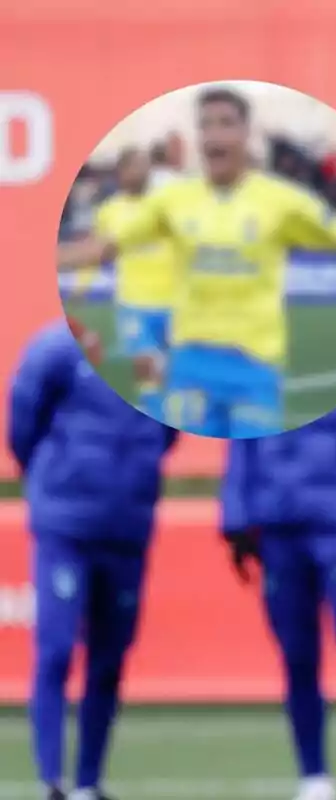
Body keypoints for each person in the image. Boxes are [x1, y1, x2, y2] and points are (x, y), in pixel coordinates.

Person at [56, 85, 336, 438]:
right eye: (206, 124)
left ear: (246, 133)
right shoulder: (173, 200)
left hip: (254, 364)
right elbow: (102, 247)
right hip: (192, 362)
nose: (214, 135)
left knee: (260, 481)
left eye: (226, 123)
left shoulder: (282, 201)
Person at [220, 346, 336, 800]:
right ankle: (314, 779)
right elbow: (241, 431)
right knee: (297, 657)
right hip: (278, 526)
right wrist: (236, 517)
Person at [8, 319, 178, 800]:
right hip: (66, 524)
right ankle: (51, 780)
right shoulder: (57, 348)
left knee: (109, 657)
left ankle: (87, 782)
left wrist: (134, 480)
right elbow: (23, 422)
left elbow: (170, 430)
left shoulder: (163, 355)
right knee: (57, 649)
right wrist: (55, 479)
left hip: (127, 526)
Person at [89, 147, 179, 419]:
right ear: (122, 172)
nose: (143, 172)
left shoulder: (165, 206)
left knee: (176, 368)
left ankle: (177, 414)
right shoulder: (108, 211)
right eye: (136, 166)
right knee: (145, 361)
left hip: (175, 301)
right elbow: (100, 250)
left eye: (146, 166)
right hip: (133, 302)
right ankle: (155, 412)